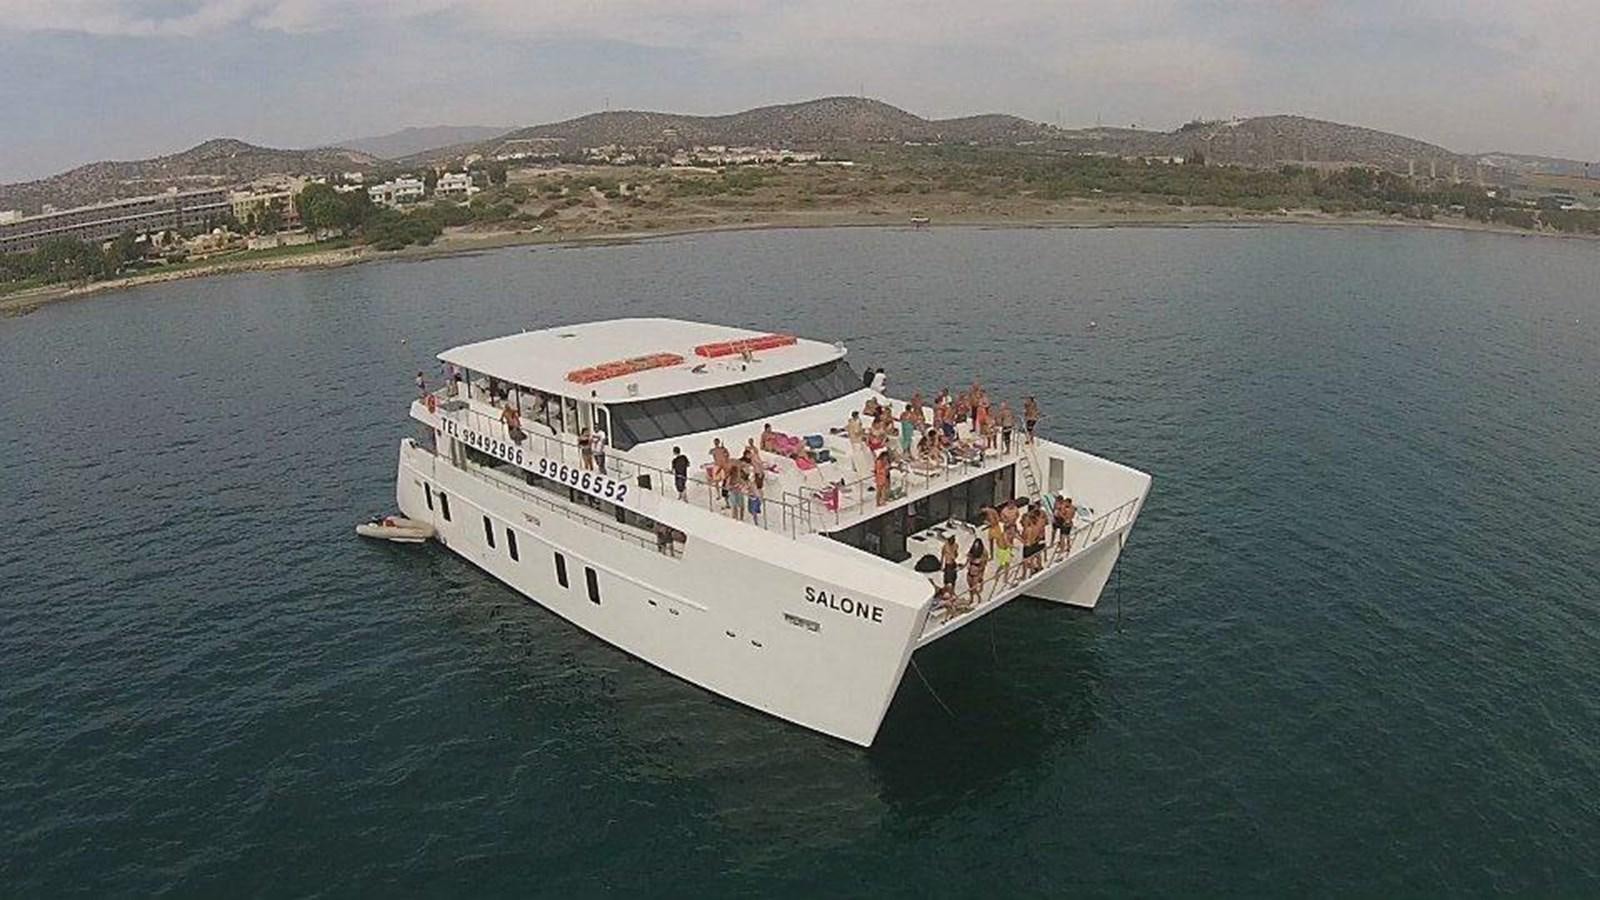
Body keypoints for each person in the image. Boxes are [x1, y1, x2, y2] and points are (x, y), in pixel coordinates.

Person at [966, 540, 988, 607]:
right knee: (970, 587)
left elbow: (983, 566)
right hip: (970, 572)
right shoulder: (971, 553)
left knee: (974, 588)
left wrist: (980, 575)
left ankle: (979, 598)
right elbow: (967, 561)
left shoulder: (982, 555)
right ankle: (971, 599)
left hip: (976, 574)